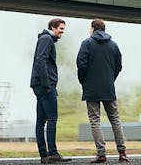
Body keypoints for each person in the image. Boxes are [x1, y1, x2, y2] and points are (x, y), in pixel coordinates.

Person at [76, 18, 129, 163]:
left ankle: (101, 154)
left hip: (91, 88)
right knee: (115, 119)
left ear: (93, 28)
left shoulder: (86, 43)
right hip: (108, 87)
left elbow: (81, 65)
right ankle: (122, 152)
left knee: (95, 120)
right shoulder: (113, 45)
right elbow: (119, 66)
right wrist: (110, 79)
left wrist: (84, 81)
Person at [30, 18, 72, 163]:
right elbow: (40, 60)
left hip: (39, 84)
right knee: (52, 118)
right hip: (44, 86)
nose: (62, 32)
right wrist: (47, 84)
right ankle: (52, 153)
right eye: (61, 29)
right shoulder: (47, 39)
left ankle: (44, 155)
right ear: (53, 27)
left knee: (41, 121)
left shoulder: (45, 39)